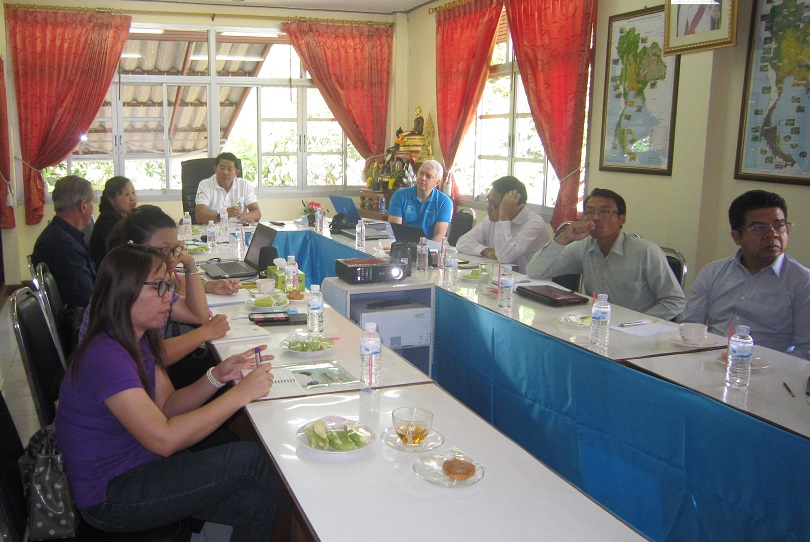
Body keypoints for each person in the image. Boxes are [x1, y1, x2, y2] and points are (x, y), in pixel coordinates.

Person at [55, 244, 281, 540]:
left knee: (255, 505)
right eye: (159, 287)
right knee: (253, 457)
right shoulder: (106, 355)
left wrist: (217, 376)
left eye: (169, 286)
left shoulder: (136, 338)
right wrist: (240, 395)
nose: (169, 297)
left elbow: (168, 405)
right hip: (110, 495)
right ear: (124, 291)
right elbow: (165, 439)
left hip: (139, 465)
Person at [105, 205, 236, 382]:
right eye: (162, 250)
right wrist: (204, 333)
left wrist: (189, 264)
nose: (171, 257)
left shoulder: (149, 282)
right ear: (137, 248)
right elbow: (151, 355)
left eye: (175, 249)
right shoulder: (128, 289)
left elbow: (197, 315)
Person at [682, 190, 810, 360]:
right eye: (759, 228)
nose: (772, 234)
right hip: (710, 362)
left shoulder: (802, 282)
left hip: (768, 372)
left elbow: (806, 351)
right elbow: (692, 327)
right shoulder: (712, 272)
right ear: (737, 237)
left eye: (779, 225)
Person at [526, 188, 686, 320]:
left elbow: (675, 301)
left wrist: (638, 322)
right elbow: (536, 272)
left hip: (636, 334)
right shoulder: (582, 247)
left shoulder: (645, 252)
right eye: (589, 212)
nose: (596, 218)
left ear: (621, 218)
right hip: (596, 328)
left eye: (605, 212)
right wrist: (563, 238)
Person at [456, 176, 549, 272]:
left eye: (495, 205)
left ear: (516, 206)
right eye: (488, 201)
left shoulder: (534, 224)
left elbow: (504, 256)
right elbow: (462, 242)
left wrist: (504, 216)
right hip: (501, 277)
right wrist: (487, 251)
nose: (488, 208)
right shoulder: (491, 219)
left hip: (528, 283)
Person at [31, 175, 97, 310]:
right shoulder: (62, 245)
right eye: (92, 202)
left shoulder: (59, 234)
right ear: (83, 206)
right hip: (82, 322)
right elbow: (85, 297)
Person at [387, 159, 452, 241]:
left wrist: (424, 251)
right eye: (421, 173)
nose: (423, 178)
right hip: (403, 245)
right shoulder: (400, 195)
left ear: (437, 183)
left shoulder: (444, 202)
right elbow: (394, 230)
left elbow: (438, 237)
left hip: (429, 248)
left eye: (429, 176)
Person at [195, 152, 261, 224]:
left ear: (236, 173)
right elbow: (200, 217)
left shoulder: (244, 185)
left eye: (229, 169)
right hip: (214, 230)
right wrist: (223, 216)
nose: (225, 172)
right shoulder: (205, 185)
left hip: (239, 230)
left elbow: (257, 213)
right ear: (215, 169)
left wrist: (241, 216)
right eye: (222, 168)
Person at [89, 176, 138, 268]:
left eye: (133, 193)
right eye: (126, 194)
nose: (132, 198)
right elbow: (122, 255)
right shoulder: (108, 221)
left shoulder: (121, 218)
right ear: (112, 199)